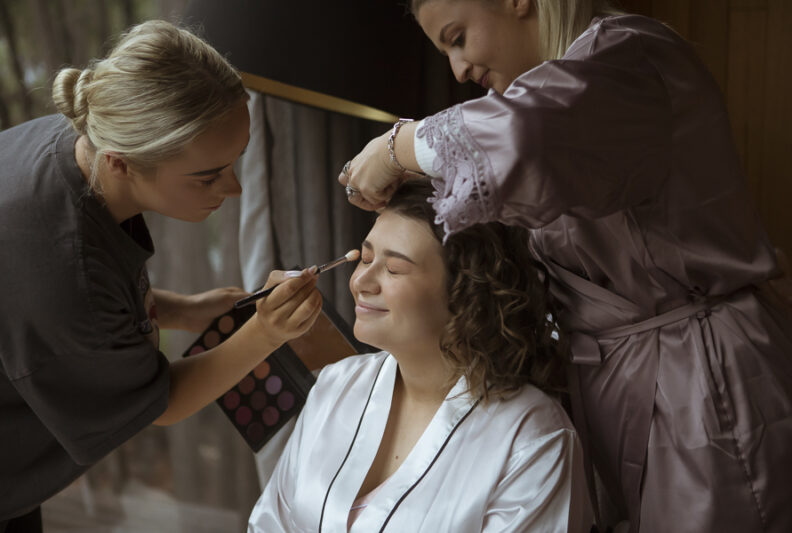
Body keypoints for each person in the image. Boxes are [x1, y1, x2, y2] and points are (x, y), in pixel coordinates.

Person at [337, 1, 792, 532]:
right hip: (609, 387)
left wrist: (397, 147)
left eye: (458, 38)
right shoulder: (544, 100)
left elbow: (524, 137)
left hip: (700, 386)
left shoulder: (628, 60)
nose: (458, 70)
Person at [0, 20, 322, 532]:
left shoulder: (82, 137)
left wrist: (185, 310)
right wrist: (266, 333)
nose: (232, 188)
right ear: (123, 163)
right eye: (208, 175)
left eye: (235, 162)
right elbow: (160, 402)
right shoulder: (60, 267)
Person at [247, 180, 591, 532]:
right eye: (365, 258)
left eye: (394, 269)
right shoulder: (337, 384)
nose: (361, 281)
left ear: (466, 293)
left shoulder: (531, 438)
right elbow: (270, 523)